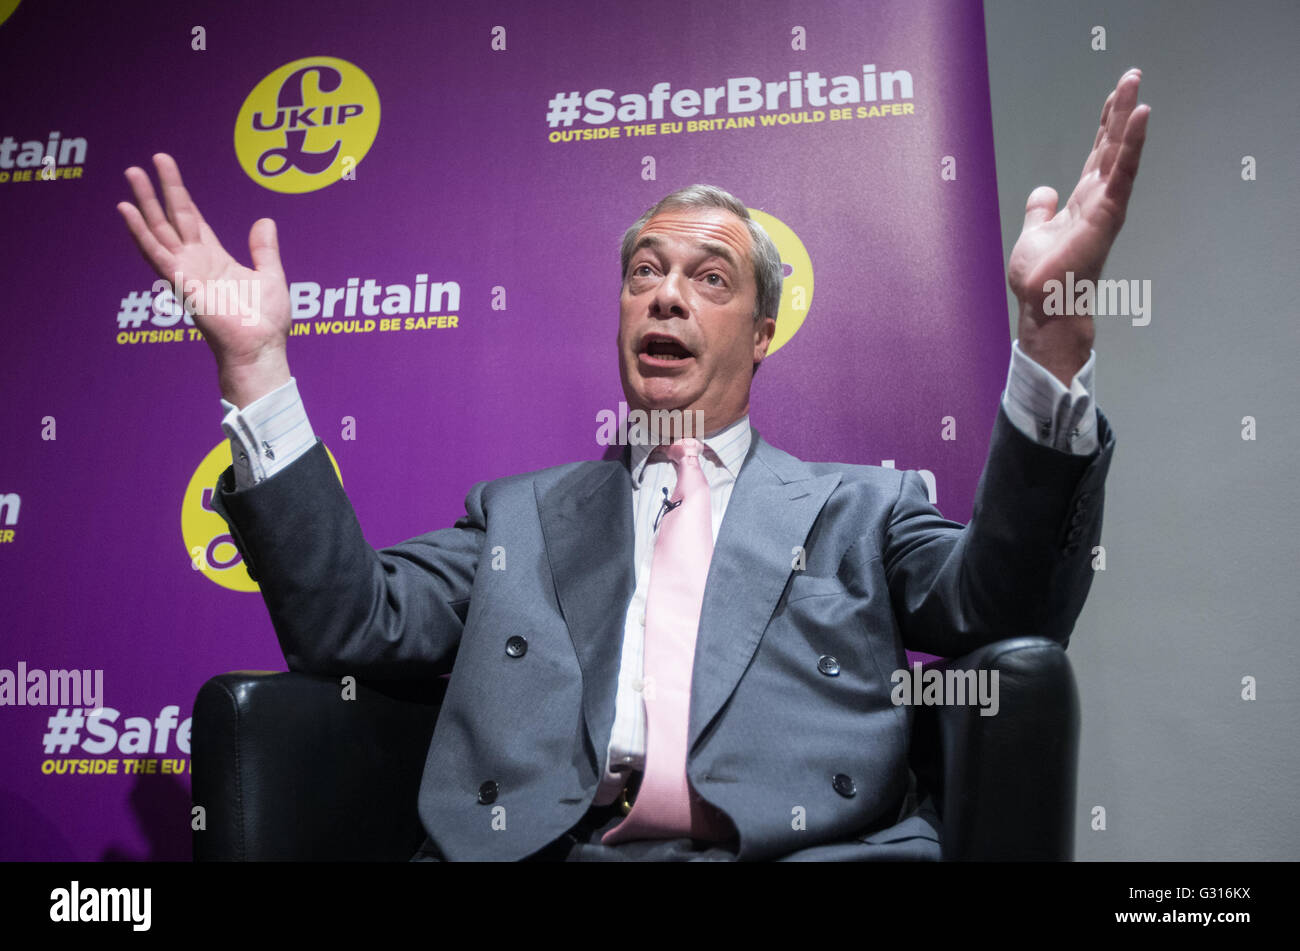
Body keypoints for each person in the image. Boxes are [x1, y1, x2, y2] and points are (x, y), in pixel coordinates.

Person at [118, 70, 1149, 861]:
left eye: (708, 278)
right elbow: (348, 622)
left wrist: (1051, 334)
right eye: (644, 273)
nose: (665, 296)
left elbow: (1009, 611)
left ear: (761, 331)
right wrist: (255, 368)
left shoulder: (861, 509)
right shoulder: (516, 517)